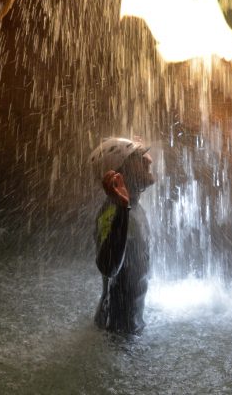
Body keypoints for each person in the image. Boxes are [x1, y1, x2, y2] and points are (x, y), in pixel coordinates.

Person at [89, 137, 155, 334]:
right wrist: (122, 209)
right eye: (139, 157)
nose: (149, 160)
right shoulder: (114, 213)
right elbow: (108, 267)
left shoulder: (131, 207)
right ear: (119, 174)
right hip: (116, 334)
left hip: (127, 328)